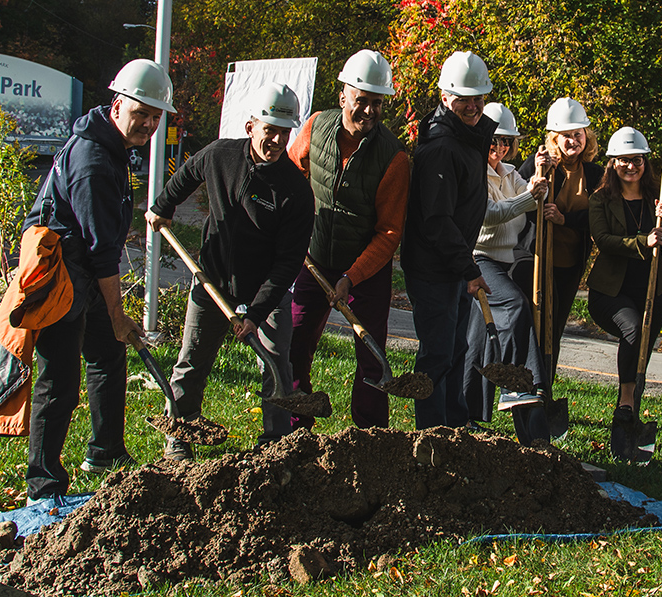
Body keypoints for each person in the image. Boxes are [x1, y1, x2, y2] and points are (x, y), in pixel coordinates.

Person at [20, 59, 172, 503]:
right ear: (117, 103)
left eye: (155, 115)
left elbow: (102, 247)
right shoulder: (92, 161)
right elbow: (102, 251)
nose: (148, 122)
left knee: (107, 356)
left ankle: (106, 451)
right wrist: (118, 312)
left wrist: (112, 319)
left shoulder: (111, 146)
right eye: (141, 112)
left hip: (84, 268)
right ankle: (42, 484)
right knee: (58, 380)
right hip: (61, 276)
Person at [146, 83, 314, 459]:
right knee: (191, 361)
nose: (275, 139)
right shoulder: (220, 155)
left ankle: (276, 442)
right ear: (251, 125)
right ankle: (180, 433)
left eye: (284, 132)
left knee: (276, 363)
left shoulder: (295, 192)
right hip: (213, 280)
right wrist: (163, 206)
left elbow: (288, 263)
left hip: (265, 292)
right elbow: (186, 174)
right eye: (269, 129)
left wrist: (255, 313)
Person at [287, 49, 410, 430]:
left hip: (366, 274)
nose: (370, 111)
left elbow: (389, 232)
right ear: (343, 96)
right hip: (315, 259)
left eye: (377, 103)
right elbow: (291, 177)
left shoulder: (395, 157)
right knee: (295, 346)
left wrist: (351, 278)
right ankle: (296, 429)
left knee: (371, 359)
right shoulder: (315, 127)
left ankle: (371, 437)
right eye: (362, 101)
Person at [403, 51, 498, 429]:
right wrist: (468, 268)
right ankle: (430, 432)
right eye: (464, 98)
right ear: (445, 97)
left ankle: (455, 425)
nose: (473, 106)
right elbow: (437, 221)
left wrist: (464, 267)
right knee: (437, 354)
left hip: (454, 265)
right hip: (433, 268)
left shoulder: (468, 137)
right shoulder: (442, 147)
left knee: (456, 348)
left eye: (479, 98)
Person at [586, 127, 662, 459]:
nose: (631, 166)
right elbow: (603, 241)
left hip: (653, 292)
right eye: (625, 160)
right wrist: (645, 242)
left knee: (641, 356)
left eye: (637, 160)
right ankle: (625, 404)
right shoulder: (600, 199)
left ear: (645, 162)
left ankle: (629, 419)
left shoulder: (658, 196)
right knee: (633, 330)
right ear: (612, 163)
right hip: (609, 293)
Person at [463, 102, 549, 443]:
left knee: (477, 339)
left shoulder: (512, 174)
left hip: (505, 261)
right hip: (478, 259)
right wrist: (530, 198)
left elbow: (528, 201)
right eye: (492, 141)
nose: (497, 149)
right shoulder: (473, 172)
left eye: (505, 142)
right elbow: (491, 215)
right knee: (513, 306)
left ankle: (466, 411)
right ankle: (514, 386)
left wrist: (541, 192)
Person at [516, 97, 604, 379]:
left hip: (570, 264)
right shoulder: (539, 164)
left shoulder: (594, 173)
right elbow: (514, 205)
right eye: (566, 135)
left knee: (554, 329)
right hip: (538, 259)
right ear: (555, 138)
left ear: (585, 136)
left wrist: (565, 218)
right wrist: (536, 179)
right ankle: (528, 382)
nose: (572, 141)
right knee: (536, 326)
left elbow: (597, 218)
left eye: (577, 134)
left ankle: (546, 387)